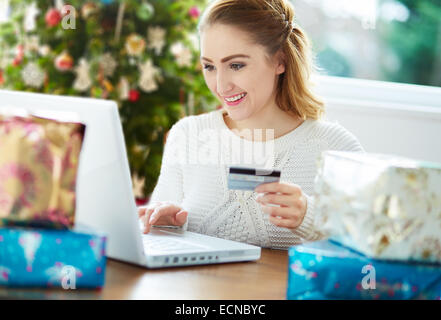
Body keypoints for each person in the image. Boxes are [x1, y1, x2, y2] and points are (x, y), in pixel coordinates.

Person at [138, 0, 364, 249]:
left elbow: (374, 241)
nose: (221, 86)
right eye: (209, 66)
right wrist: (166, 223)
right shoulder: (188, 135)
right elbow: (153, 233)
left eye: (236, 65)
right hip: (200, 288)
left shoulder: (335, 148)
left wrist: (309, 216)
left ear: (280, 61)